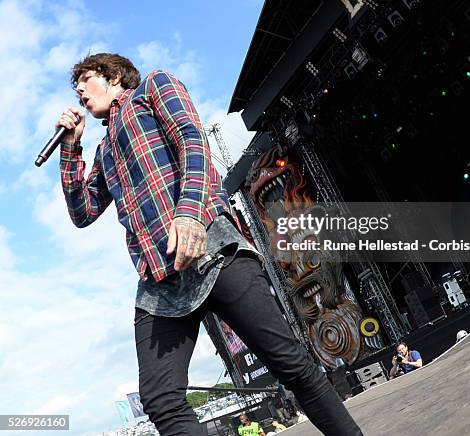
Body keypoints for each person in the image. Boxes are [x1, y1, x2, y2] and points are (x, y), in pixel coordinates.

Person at [57, 53, 363, 436]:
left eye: (85, 80)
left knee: (290, 363)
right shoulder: (103, 151)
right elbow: (82, 211)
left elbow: (192, 140)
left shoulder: (153, 87)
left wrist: (187, 213)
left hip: (212, 252)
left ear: (114, 75)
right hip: (161, 281)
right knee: (160, 399)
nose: (80, 92)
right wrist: (71, 148)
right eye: (76, 88)